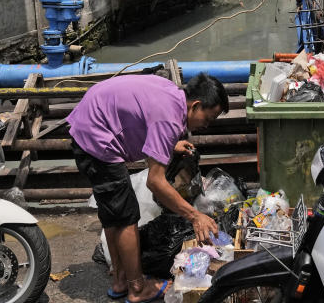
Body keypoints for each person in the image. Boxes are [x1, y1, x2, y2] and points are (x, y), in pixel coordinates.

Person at [67, 72, 229, 303]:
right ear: (196, 105)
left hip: (90, 124)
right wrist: (195, 216)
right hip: (96, 137)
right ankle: (136, 288)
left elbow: (144, 119)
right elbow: (155, 182)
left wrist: (169, 146)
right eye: (207, 119)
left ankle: (120, 280)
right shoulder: (169, 120)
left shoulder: (173, 95)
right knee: (126, 217)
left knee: (114, 212)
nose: (205, 126)